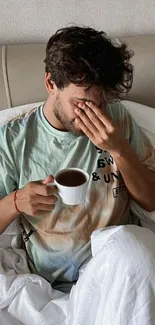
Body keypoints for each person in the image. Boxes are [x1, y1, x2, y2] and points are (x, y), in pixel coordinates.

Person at [0, 26, 155, 294]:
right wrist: (15, 202)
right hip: (53, 279)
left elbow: (151, 199)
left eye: (103, 101)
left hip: (117, 266)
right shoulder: (13, 139)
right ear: (51, 84)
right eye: (82, 103)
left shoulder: (117, 118)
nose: (95, 113)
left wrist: (120, 149)